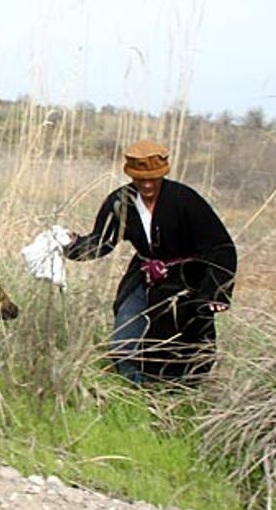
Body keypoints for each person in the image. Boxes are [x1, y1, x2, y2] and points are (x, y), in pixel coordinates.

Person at [64, 140, 237, 384]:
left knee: (181, 346)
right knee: (124, 339)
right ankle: (134, 388)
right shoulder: (120, 201)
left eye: (153, 178)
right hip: (142, 277)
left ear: (163, 174)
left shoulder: (185, 200)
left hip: (186, 282)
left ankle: (177, 397)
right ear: (131, 174)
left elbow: (221, 248)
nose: (146, 184)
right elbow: (102, 242)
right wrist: (70, 246)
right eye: (140, 178)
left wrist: (216, 292)